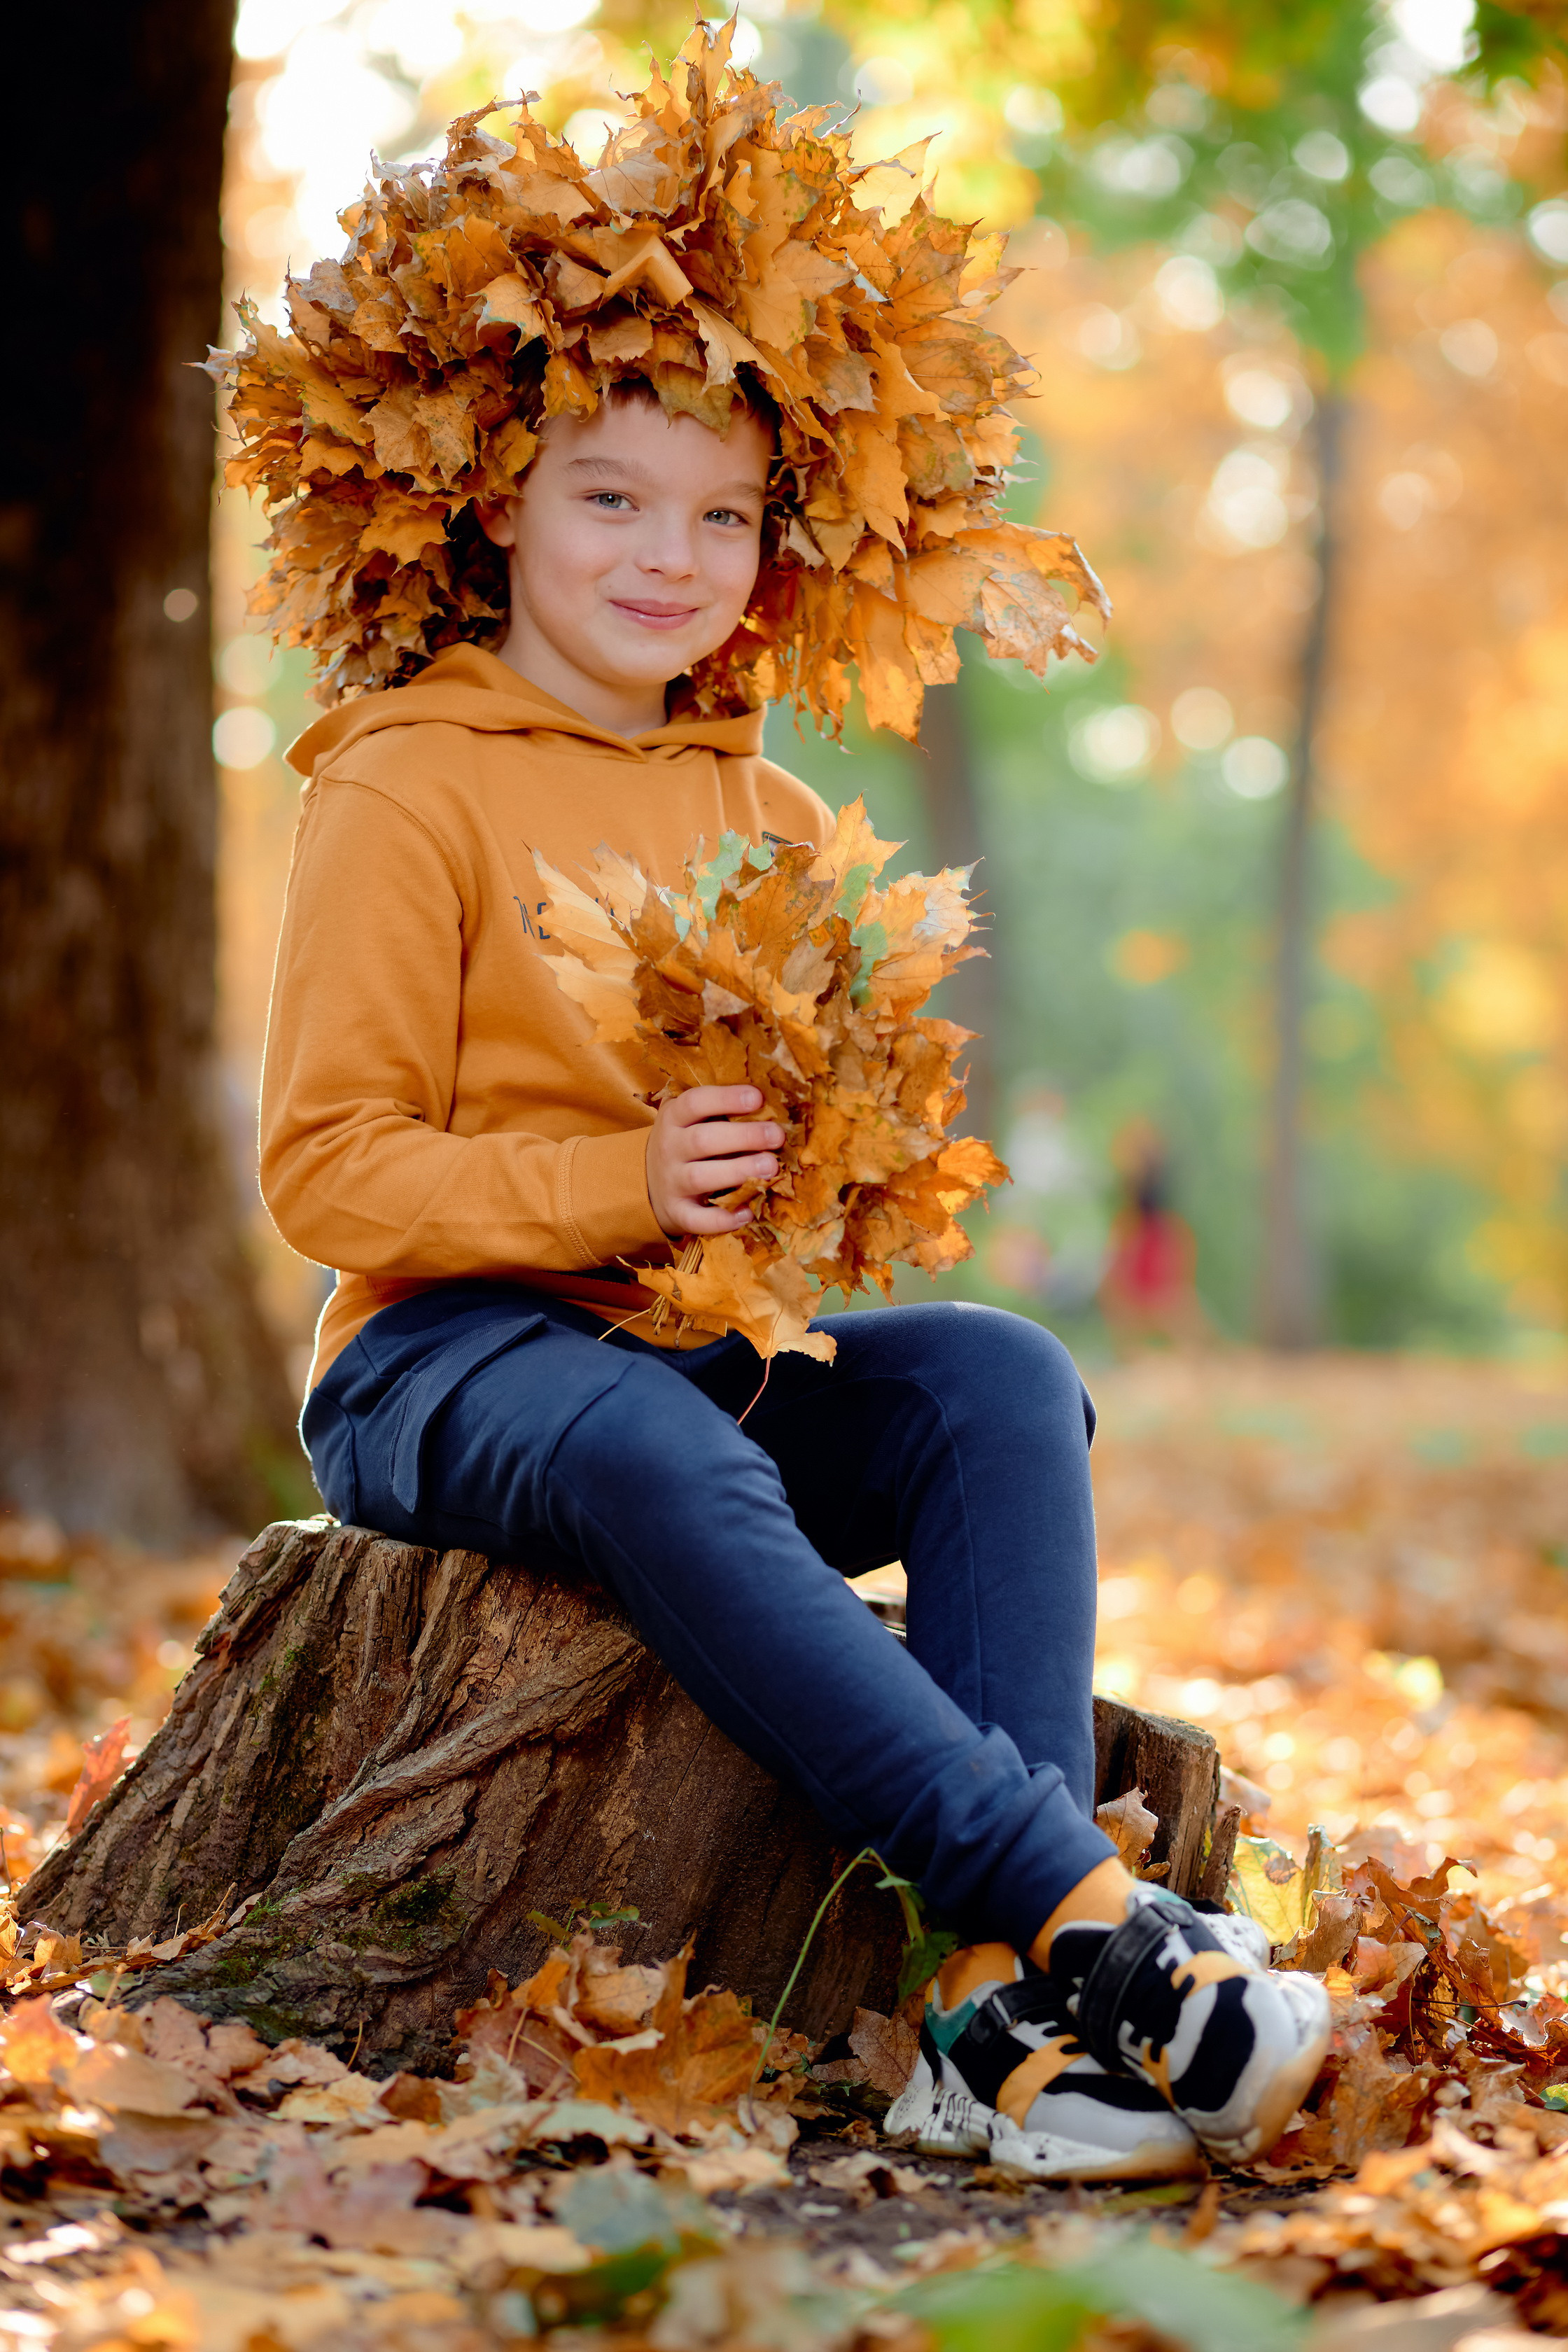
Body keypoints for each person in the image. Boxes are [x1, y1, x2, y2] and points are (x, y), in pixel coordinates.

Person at [232, 25, 1329, 2181]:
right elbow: (323, 1169)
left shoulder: (760, 801)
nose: (670, 555)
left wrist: (813, 1177)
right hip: (436, 1361)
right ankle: (1093, 1927)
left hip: (677, 1350)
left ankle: (987, 2017)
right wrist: (611, 1175)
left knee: (1003, 1380)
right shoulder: (400, 782)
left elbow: (785, 1189)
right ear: (493, 504)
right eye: (611, 498)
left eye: (723, 512)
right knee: (644, 1429)